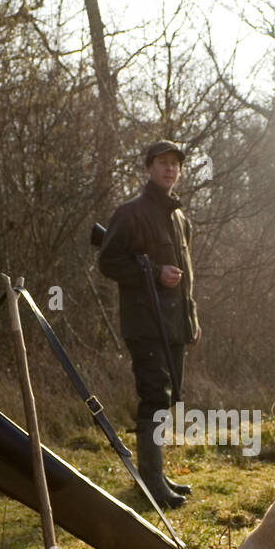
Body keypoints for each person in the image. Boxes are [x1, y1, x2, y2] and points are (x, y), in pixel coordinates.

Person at [98, 139, 201, 509]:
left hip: (175, 324)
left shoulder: (179, 217)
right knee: (154, 397)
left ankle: (154, 474)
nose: (169, 169)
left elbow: (187, 276)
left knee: (168, 397)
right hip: (145, 323)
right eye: (162, 163)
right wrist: (155, 274)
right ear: (149, 168)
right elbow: (108, 263)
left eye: (175, 163)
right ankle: (151, 483)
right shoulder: (131, 213)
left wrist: (191, 318)